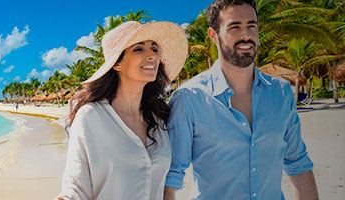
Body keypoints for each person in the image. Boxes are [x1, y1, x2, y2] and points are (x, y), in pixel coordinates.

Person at [163, 0, 318, 199]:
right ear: (213, 35)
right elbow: (171, 176)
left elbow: (298, 163)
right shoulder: (188, 99)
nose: (246, 35)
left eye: (251, 26)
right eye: (235, 27)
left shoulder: (280, 92)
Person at [56, 20, 188, 199]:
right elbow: (75, 187)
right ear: (117, 64)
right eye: (139, 49)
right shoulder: (91, 116)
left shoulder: (159, 120)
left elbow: (165, 187)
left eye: (154, 49)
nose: (151, 56)